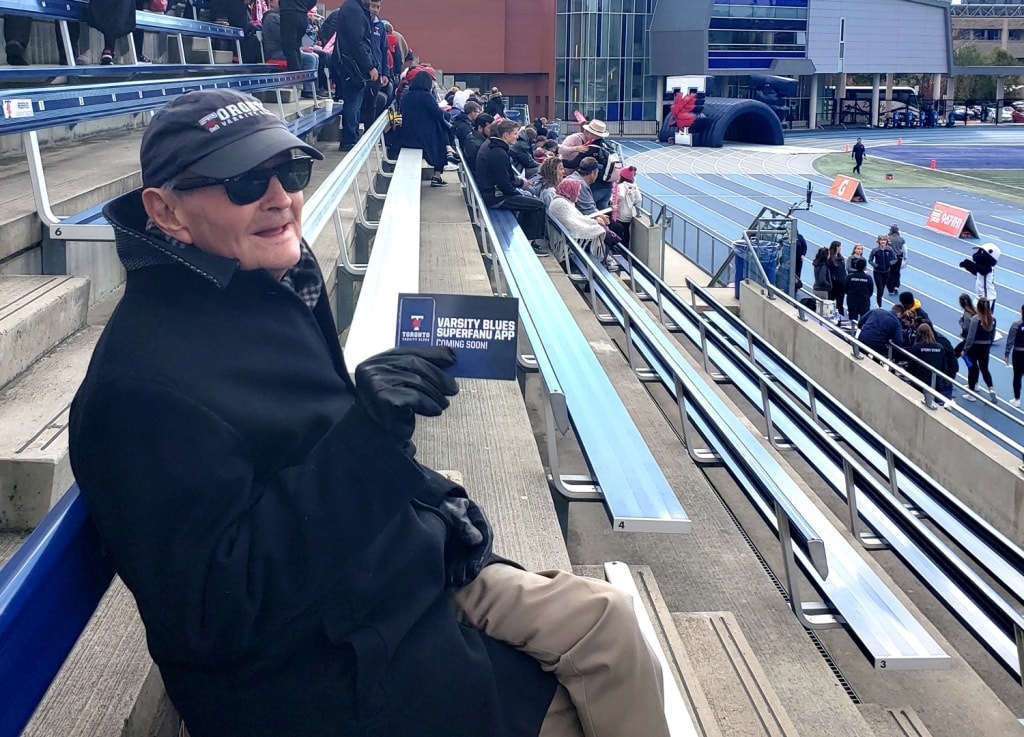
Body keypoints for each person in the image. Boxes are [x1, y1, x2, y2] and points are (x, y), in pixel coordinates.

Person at [67, 88, 670, 737]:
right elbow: (215, 612)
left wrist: (438, 506)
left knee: (611, 623)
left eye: (290, 172)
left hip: (380, 572)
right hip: (322, 662)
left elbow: (327, 452)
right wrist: (370, 440)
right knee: (583, 703)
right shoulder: (139, 390)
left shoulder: (254, 287)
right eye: (244, 182)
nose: (280, 198)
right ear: (166, 212)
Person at [476, 118, 548, 247]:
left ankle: (526, 237)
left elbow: (505, 177)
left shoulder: (493, 146)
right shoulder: (498, 153)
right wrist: (519, 191)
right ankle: (530, 242)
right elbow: (505, 185)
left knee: (529, 197)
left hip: (493, 192)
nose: (517, 136)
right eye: (515, 133)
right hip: (495, 197)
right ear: (505, 135)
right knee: (538, 205)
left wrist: (520, 183)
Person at [332, 0, 379, 152]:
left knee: (355, 101)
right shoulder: (354, 9)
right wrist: (370, 66)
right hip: (351, 66)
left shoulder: (354, 8)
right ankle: (349, 140)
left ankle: (351, 138)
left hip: (350, 64)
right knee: (353, 102)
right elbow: (357, 42)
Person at [398, 70, 452, 187]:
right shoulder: (426, 96)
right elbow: (437, 114)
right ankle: (437, 174)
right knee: (441, 135)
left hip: (407, 134)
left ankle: (449, 149)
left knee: (440, 128)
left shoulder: (407, 96)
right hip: (422, 136)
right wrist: (447, 114)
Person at [261, 0, 320, 98]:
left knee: (305, 54)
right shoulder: (271, 17)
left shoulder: (281, 15)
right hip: (276, 52)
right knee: (307, 57)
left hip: (290, 14)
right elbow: (282, 40)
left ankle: (308, 88)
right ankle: (304, 87)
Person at [904, 323, 954, 404]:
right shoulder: (939, 347)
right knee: (932, 404)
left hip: (920, 382)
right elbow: (945, 366)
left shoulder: (917, 347)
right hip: (935, 382)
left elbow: (911, 367)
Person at [962, 297, 997, 402]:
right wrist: (989, 345)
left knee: (972, 368)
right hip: (985, 346)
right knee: (984, 369)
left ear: (978, 307)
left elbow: (971, 336)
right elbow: (993, 334)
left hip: (974, 346)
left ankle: (971, 393)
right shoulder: (993, 319)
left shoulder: (975, 319)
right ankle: (991, 388)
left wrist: (965, 349)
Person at [612, 165, 640, 248]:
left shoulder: (620, 186)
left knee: (619, 233)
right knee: (627, 233)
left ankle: (618, 250)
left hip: (619, 213)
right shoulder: (635, 186)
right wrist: (632, 200)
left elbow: (619, 196)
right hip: (629, 213)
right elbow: (639, 199)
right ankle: (626, 251)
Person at [844, 256, 873, 325]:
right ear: (864, 267)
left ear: (855, 266)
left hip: (852, 301)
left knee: (852, 320)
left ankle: (852, 334)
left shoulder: (849, 277)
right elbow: (871, 291)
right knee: (864, 321)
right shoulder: (868, 278)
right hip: (864, 301)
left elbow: (845, 288)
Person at [1005, 304, 1024, 408]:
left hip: (1018, 353)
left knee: (1017, 376)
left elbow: (1010, 340)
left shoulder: (1016, 324)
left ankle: (1017, 399)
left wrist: (1007, 353)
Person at [868, 233, 894, 308]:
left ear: (886, 241)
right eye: (881, 240)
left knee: (882, 287)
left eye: (884, 240)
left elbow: (894, 258)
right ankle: (879, 305)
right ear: (878, 241)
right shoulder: (875, 250)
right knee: (880, 288)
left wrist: (890, 263)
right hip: (877, 272)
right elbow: (870, 260)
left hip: (886, 271)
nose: (883, 241)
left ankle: (879, 301)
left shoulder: (889, 249)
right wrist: (876, 265)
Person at [827, 241, 847, 317]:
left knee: (840, 304)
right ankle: (828, 317)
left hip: (841, 285)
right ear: (836, 247)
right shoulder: (830, 259)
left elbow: (843, 271)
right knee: (830, 302)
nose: (841, 248)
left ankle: (842, 318)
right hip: (833, 285)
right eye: (840, 246)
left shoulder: (841, 258)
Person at [885, 224, 906, 294]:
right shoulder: (901, 239)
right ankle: (896, 286)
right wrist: (905, 257)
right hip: (899, 257)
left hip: (890, 258)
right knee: (897, 272)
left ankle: (890, 289)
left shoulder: (888, 238)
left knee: (890, 273)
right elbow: (904, 249)